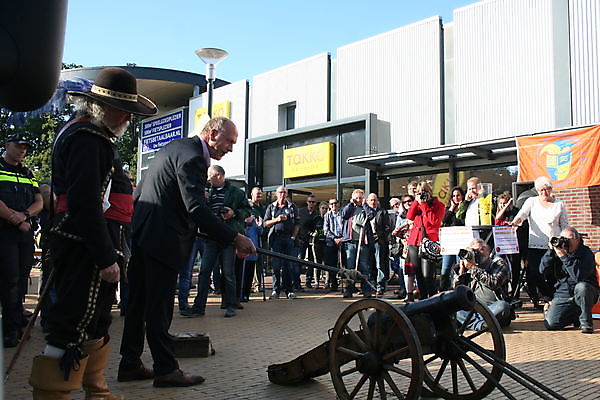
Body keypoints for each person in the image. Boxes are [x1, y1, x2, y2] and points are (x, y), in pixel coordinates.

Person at [28, 67, 156, 400]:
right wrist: (104, 256)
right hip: (84, 247)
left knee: (94, 321)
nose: (128, 118)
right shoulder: (88, 139)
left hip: (86, 242)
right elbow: (86, 203)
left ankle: (96, 391)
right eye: (123, 110)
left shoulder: (84, 134)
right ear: (104, 107)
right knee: (71, 325)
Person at [118, 117, 255, 388]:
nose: (230, 148)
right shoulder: (194, 157)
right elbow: (195, 208)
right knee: (158, 306)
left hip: (145, 234)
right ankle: (166, 369)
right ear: (213, 133)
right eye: (229, 141)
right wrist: (234, 237)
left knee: (137, 304)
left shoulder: (176, 147)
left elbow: (147, 194)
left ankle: (130, 363)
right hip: (163, 239)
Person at [182, 164, 250, 318]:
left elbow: (247, 210)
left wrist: (234, 213)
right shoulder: (207, 192)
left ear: (219, 175)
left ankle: (231, 305)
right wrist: (203, 201)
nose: (208, 180)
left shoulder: (236, 192)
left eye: (210, 177)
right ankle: (199, 307)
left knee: (228, 273)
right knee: (204, 272)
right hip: (211, 238)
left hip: (228, 238)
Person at [1, 133, 42, 348]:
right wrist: (14, 219)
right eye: (18, 146)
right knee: (9, 281)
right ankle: (9, 330)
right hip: (5, 232)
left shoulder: (27, 173)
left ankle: (16, 326)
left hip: (24, 231)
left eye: (25, 148)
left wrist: (25, 216)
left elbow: (39, 201)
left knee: (22, 280)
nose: (22, 151)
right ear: (7, 145)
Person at [511, 176, 569, 308]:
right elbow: (522, 214)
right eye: (541, 190)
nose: (544, 193)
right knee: (534, 273)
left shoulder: (559, 204)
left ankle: (555, 300)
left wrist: (564, 241)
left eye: (547, 189)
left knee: (553, 274)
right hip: (535, 245)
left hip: (554, 245)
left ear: (551, 189)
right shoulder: (531, 201)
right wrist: (516, 222)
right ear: (537, 190)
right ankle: (548, 298)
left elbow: (564, 224)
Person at [541, 227, 599, 334]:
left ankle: (586, 322)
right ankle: (574, 316)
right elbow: (542, 270)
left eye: (568, 239)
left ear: (577, 240)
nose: (565, 242)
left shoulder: (586, 253)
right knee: (551, 323)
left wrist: (564, 258)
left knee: (582, 287)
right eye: (562, 239)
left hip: (585, 292)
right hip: (563, 294)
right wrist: (550, 251)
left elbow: (579, 277)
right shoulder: (557, 252)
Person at [455, 238, 513, 330]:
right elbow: (457, 291)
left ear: (489, 251)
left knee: (503, 306)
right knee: (453, 307)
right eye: (474, 251)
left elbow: (494, 282)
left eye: (481, 249)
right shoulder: (468, 265)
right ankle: (482, 325)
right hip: (473, 309)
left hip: (492, 308)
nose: (478, 253)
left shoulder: (498, 263)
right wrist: (461, 271)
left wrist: (473, 268)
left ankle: (472, 323)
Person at [405, 182, 445, 299]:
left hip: (429, 242)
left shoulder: (438, 205)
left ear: (430, 193)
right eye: (418, 192)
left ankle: (433, 299)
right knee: (418, 274)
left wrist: (424, 205)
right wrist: (417, 202)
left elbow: (434, 222)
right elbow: (409, 217)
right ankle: (423, 299)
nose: (422, 195)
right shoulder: (417, 203)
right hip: (414, 241)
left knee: (428, 275)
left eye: (424, 192)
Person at [263, 186, 300, 299]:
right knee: (276, 266)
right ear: (276, 194)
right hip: (276, 239)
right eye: (280, 192)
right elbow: (265, 223)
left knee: (289, 265)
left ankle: (289, 290)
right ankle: (276, 290)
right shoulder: (271, 207)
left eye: (284, 192)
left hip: (289, 239)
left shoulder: (292, 207)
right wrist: (277, 219)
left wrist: (293, 237)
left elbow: (297, 224)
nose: (282, 194)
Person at [341, 189, 375, 298]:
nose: (358, 200)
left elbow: (371, 215)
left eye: (360, 198)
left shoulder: (365, 208)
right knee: (350, 267)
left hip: (363, 242)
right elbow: (344, 215)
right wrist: (352, 203)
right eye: (356, 198)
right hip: (351, 242)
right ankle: (349, 290)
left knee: (364, 266)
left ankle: (366, 290)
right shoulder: (349, 208)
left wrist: (364, 204)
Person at [240, 187, 265, 301]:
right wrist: (245, 223)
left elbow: (260, 232)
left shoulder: (259, 211)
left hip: (254, 247)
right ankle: (239, 294)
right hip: (242, 247)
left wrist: (260, 226)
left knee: (250, 272)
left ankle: (246, 295)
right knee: (242, 272)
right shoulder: (242, 213)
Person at [366, 193, 393, 296]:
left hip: (379, 241)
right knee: (370, 264)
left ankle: (380, 286)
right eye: (371, 200)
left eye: (374, 200)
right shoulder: (365, 213)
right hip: (368, 242)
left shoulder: (382, 212)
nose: (373, 202)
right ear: (367, 202)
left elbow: (387, 227)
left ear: (377, 201)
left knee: (379, 264)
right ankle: (372, 285)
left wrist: (380, 237)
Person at [440, 186, 465, 291]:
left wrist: (460, 208)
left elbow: (462, 222)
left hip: (461, 241)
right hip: (449, 242)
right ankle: (443, 290)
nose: (456, 198)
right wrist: (452, 208)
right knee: (446, 267)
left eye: (458, 195)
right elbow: (444, 220)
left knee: (460, 267)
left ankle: (460, 289)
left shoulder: (465, 208)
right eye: (454, 196)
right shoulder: (448, 209)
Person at [298, 194, 319, 289]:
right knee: (299, 260)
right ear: (307, 202)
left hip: (312, 242)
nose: (311, 204)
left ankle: (308, 281)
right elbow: (298, 225)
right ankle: (297, 282)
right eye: (310, 202)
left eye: (313, 202)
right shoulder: (301, 212)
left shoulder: (316, 214)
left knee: (311, 261)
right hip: (301, 240)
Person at [323, 197, 344, 291]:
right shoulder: (327, 215)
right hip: (331, 240)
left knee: (345, 262)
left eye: (335, 203)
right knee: (331, 263)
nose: (334, 205)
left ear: (338, 204)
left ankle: (348, 285)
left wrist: (342, 238)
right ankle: (334, 283)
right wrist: (335, 238)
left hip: (343, 239)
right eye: (331, 204)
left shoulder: (343, 214)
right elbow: (325, 230)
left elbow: (347, 226)